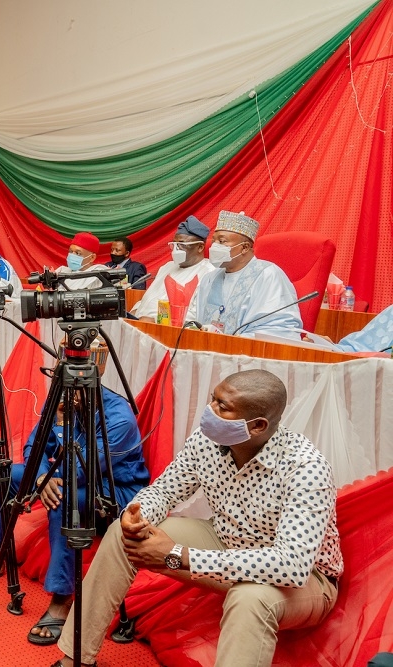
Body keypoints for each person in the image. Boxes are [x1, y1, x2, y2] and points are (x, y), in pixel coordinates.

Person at [55, 370, 342, 666]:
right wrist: (135, 515)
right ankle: (77, 658)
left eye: (223, 406)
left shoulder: (306, 468)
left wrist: (178, 555)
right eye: (212, 400)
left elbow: (291, 566)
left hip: (302, 580)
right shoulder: (207, 441)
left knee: (249, 599)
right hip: (224, 541)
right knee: (121, 534)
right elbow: (165, 491)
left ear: (257, 426)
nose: (210, 411)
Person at [0, 386, 148, 646]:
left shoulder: (119, 418)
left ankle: (62, 598)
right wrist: (40, 477)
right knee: (11, 477)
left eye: (75, 390)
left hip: (114, 487)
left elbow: (82, 469)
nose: (68, 396)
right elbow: (33, 445)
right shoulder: (65, 394)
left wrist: (61, 425)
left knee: (63, 497)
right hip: (64, 476)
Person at [189, 211, 302, 339]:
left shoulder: (268, 275)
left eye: (221, 241)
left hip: (248, 353)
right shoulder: (209, 278)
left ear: (245, 248)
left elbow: (278, 330)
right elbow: (196, 321)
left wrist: (235, 342)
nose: (214, 246)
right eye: (214, 241)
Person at [131, 216, 216, 322]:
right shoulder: (167, 266)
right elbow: (150, 297)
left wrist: (155, 321)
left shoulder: (209, 273)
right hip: (138, 325)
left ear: (200, 247)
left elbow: (195, 315)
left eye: (181, 245)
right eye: (174, 244)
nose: (176, 249)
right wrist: (135, 311)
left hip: (165, 332)